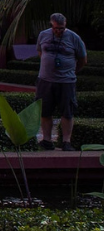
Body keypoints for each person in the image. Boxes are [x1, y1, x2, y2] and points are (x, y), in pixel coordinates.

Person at [36, 12, 88, 151]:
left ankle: (66, 141)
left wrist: (72, 71)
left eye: (61, 28)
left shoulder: (74, 38)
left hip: (66, 81)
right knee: (45, 111)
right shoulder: (43, 35)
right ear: (51, 25)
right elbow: (40, 52)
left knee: (67, 111)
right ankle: (47, 140)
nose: (58, 31)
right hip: (45, 80)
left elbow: (83, 59)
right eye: (55, 28)